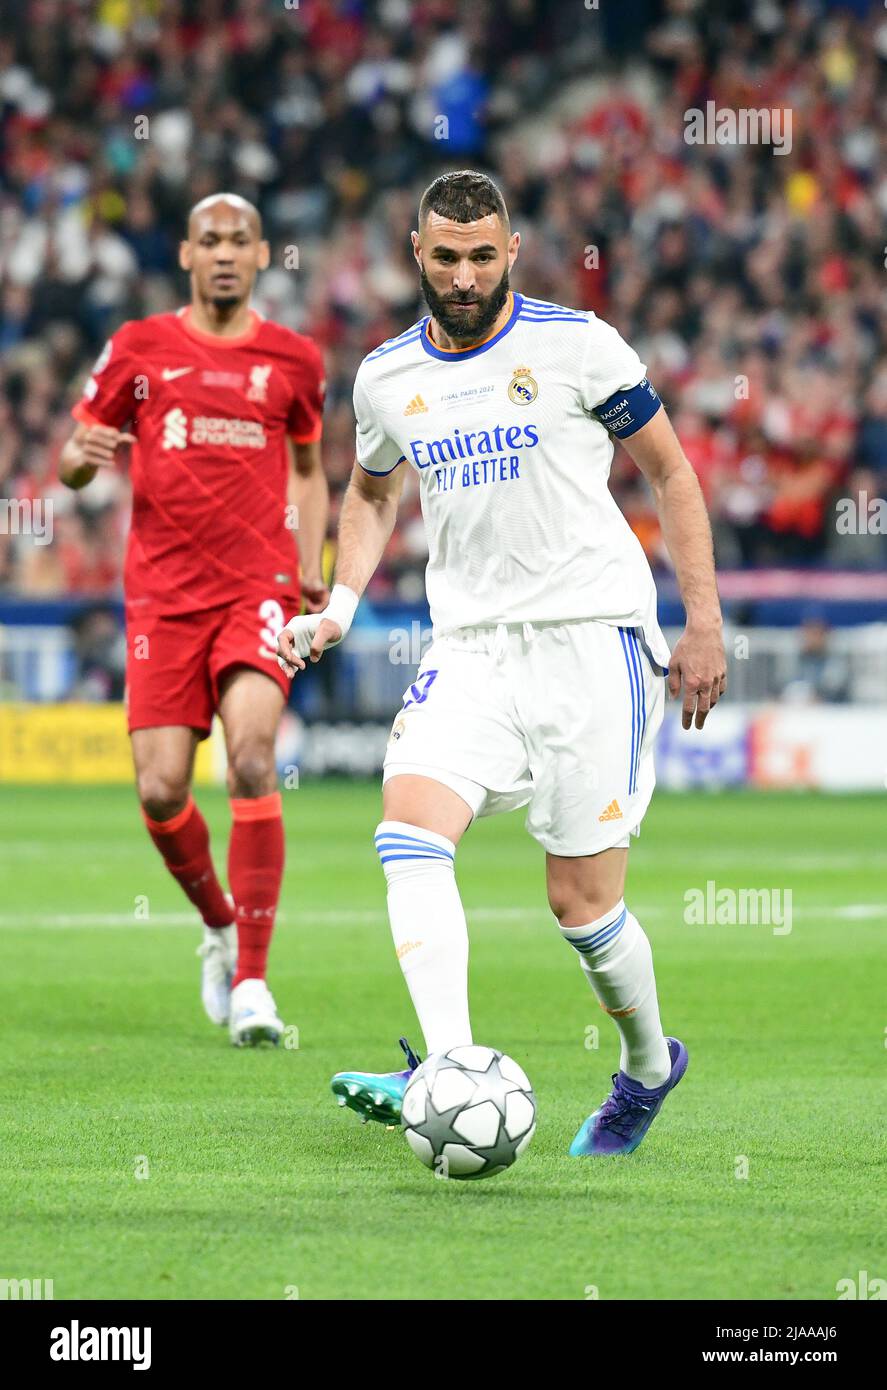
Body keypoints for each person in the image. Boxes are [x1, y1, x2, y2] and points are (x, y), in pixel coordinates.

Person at [278, 170, 726, 1154]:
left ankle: (648, 1066)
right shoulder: (389, 376)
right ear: (416, 253)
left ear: (512, 252)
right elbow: (368, 492)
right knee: (407, 829)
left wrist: (702, 621)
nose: (465, 274)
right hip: (470, 649)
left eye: (483, 256)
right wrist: (341, 601)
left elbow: (669, 471)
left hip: (590, 639)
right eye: (446, 256)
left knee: (582, 906)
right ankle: (448, 1065)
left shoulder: (577, 345)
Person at [60, 193, 328, 1045]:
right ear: (185, 254)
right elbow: (72, 455)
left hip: (256, 587)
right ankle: (217, 924)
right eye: (208, 240)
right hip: (162, 598)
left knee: (253, 758)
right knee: (160, 789)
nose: (222, 253)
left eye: (237, 241)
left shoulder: (293, 360)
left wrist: (310, 565)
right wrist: (80, 460)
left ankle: (253, 980)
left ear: (260, 257)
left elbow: (312, 468)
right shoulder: (140, 347)